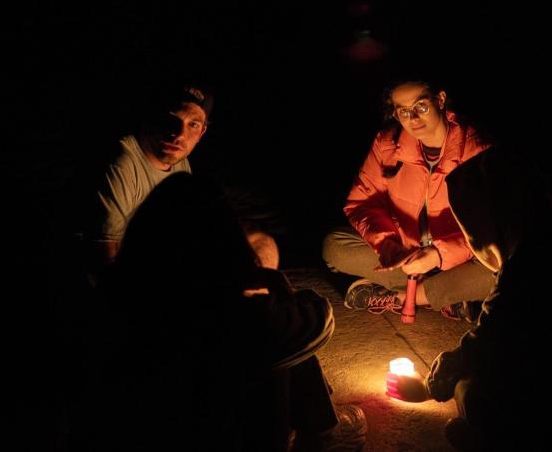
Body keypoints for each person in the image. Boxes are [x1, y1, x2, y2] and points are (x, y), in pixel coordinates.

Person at [70, 172, 366, 452]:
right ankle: (320, 432)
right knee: (280, 352)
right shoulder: (231, 318)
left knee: (276, 341)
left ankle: (320, 427)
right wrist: (271, 280)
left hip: (117, 434)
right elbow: (319, 318)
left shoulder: (112, 290)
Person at [385, 147, 552, 450]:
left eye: (470, 226)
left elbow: (485, 342)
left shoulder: (528, 267)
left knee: (471, 390)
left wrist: (431, 386)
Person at [322, 78, 493, 320]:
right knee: (335, 245)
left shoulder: (477, 150)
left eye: (420, 107)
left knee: (498, 272)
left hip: (459, 260)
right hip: (408, 255)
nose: (413, 119)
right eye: (403, 111)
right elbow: (361, 203)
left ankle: (405, 298)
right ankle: (448, 297)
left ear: (440, 100)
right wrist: (387, 244)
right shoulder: (388, 144)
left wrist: (439, 254)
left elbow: (493, 229)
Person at [76, 82, 278, 282]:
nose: (179, 134)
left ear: (201, 133)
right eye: (171, 118)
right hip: (133, 280)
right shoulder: (122, 164)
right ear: (152, 118)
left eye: (193, 124)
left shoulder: (181, 163)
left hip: (168, 263)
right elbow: (102, 259)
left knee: (262, 245)